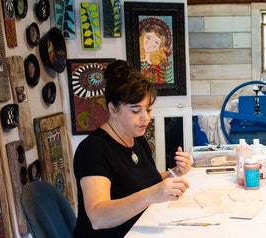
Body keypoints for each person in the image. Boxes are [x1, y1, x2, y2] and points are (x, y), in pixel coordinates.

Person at [73, 60, 192, 237]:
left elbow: (142, 183)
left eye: (149, 110)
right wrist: (152, 194)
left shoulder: (136, 137)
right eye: (136, 111)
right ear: (113, 109)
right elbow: (98, 217)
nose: (145, 118)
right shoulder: (92, 150)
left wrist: (174, 173)